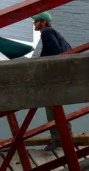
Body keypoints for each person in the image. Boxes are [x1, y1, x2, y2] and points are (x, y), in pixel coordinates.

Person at [33, 12, 71, 148]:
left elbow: (53, 52)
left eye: (36, 21)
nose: (34, 23)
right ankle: (66, 134)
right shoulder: (51, 32)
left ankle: (58, 138)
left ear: (43, 22)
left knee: (51, 106)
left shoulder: (47, 32)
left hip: (56, 76)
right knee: (55, 106)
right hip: (62, 74)